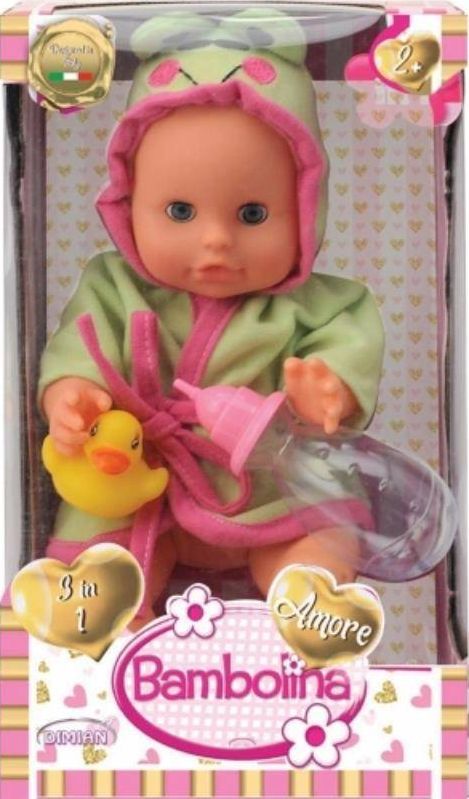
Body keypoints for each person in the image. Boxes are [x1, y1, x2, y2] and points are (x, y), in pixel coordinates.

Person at [39, 10, 384, 621]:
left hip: (274, 491)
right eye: (179, 212)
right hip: (140, 481)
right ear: (127, 201)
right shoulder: (112, 287)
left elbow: (346, 350)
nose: (216, 240)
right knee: (101, 558)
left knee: (322, 535)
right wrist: (71, 395)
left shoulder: (324, 304)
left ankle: (306, 611)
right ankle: (109, 632)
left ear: (306, 206)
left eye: (253, 215)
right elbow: (77, 349)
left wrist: (331, 391)